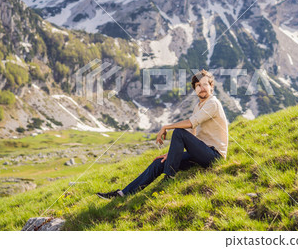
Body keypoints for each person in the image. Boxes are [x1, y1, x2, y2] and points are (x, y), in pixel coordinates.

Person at [96, 69, 229, 199]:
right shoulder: (198, 106)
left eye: (205, 84)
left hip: (214, 156)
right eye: (198, 85)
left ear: (211, 86)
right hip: (201, 153)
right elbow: (192, 136)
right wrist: (173, 154)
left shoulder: (213, 103)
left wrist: (166, 127)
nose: (202, 88)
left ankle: (169, 177)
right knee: (159, 162)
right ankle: (123, 194)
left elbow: (191, 123)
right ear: (195, 89)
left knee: (178, 132)